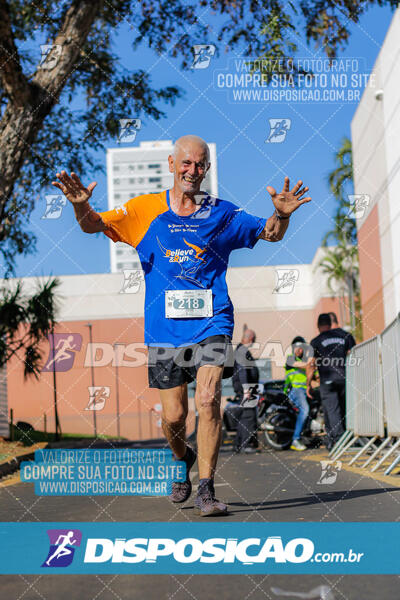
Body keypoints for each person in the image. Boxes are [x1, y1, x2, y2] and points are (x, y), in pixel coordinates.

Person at [53, 135, 311, 516]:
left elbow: (269, 232)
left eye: (200, 164)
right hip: (164, 330)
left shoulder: (222, 214)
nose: (193, 171)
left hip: (213, 320)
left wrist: (284, 215)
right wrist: (81, 206)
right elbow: (93, 225)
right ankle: (182, 457)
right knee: (173, 416)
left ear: (207, 169)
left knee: (207, 400)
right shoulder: (145, 210)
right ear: (172, 166)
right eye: (186, 164)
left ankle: (206, 489)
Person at [307, 313, 356, 450]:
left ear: (318, 326)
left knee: (332, 409)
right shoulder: (345, 336)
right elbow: (353, 354)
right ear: (330, 323)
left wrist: (308, 384)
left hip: (327, 380)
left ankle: (339, 440)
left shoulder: (316, 341)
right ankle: (335, 438)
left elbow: (311, 364)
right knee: (343, 408)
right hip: (345, 378)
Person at [229, 325, 259, 453]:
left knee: (243, 417)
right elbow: (242, 370)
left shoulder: (240, 350)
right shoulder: (242, 351)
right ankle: (247, 445)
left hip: (243, 388)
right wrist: (247, 390)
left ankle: (239, 445)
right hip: (246, 389)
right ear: (251, 338)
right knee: (249, 416)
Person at [284, 336, 310, 451]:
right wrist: (312, 363)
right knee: (305, 410)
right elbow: (305, 366)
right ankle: (295, 439)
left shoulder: (303, 361)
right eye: (297, 348)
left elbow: (310, 375)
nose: (299, 350)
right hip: (295, 390)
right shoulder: (290, 359)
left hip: (304, 390)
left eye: (302, 348)